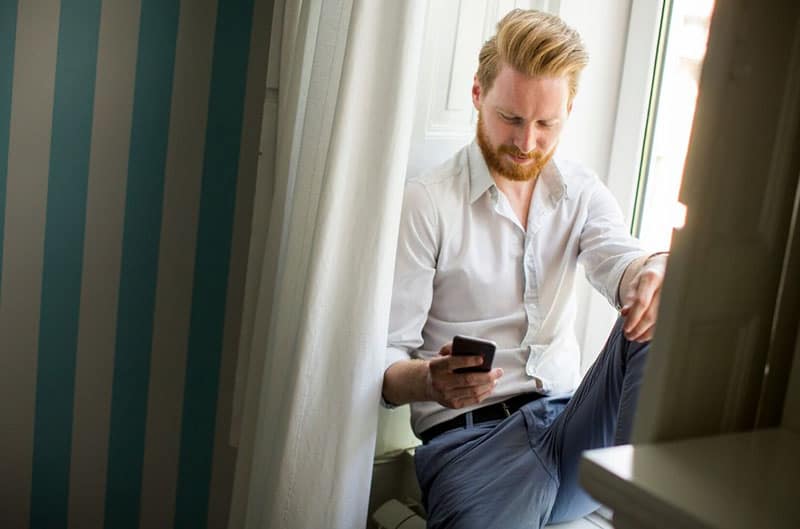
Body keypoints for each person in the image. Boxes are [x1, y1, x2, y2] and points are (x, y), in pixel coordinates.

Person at [381, 8, 668, 529]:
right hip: (473, 450)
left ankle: (640, 509)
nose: (526, 142)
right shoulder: (427, 205)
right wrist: (427, 381)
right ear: (476, 94)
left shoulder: (581, 192)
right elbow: (384, 365)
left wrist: (654, 270)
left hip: (572, 428)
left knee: (660, 302)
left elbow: (620, 260)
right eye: (510, 118)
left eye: (546, 123)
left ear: (569, 110)